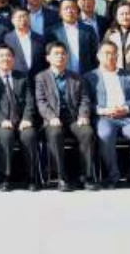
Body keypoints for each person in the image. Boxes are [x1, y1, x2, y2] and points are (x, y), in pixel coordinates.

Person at [86, 41, 130, 189]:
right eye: (107, 53)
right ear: (98, 56)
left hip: (128, 117)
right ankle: (113, 176)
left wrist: (125, 108)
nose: (111, 57)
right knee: (105, 136)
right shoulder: (90, 76)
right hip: (105, 117)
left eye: (114, 54)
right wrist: (104, 110)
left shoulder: (128, 75)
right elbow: (86, 102)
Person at [34, 42, 98, 191]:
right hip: (53, 119)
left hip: (74, 118)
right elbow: (41, 102)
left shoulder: (77, 77)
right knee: (55, 134)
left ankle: (86, 177)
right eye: (56, 54)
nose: (60, 56)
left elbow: (85, 99)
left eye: (63, 53)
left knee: (87, 132)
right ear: (48, 57)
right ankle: (61, 177)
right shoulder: (41, 77)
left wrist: (83, 115)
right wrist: (51, 117)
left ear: (67, 57)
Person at [0, 45, 38, 191]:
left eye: (8, 55)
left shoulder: (22, 77)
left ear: (13, 59)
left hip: (22, 121)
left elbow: (30, 100)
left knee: (29, 135)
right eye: (1, 56)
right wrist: (2, 120)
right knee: (6, 136)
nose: (5, 58)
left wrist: (27, 118)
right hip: (1, 123)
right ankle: (5, 178)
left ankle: (31, 178)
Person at [48, 0, 99, 76]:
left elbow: (94, 53)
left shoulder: (88, 29)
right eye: (66, 8)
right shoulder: (53, 31)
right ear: (60, 13)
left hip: (86, 74)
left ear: (78, 11)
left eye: (73, 8)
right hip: (61, 75)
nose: (69, 11)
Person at [3, 7, 47, 76]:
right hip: (17, 78)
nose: (23, 19)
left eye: (25, 16)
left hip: (37, 78)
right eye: (19, 17)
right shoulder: (7, 39)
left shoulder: (40, 39)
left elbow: (44, 61)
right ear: (12, 20)